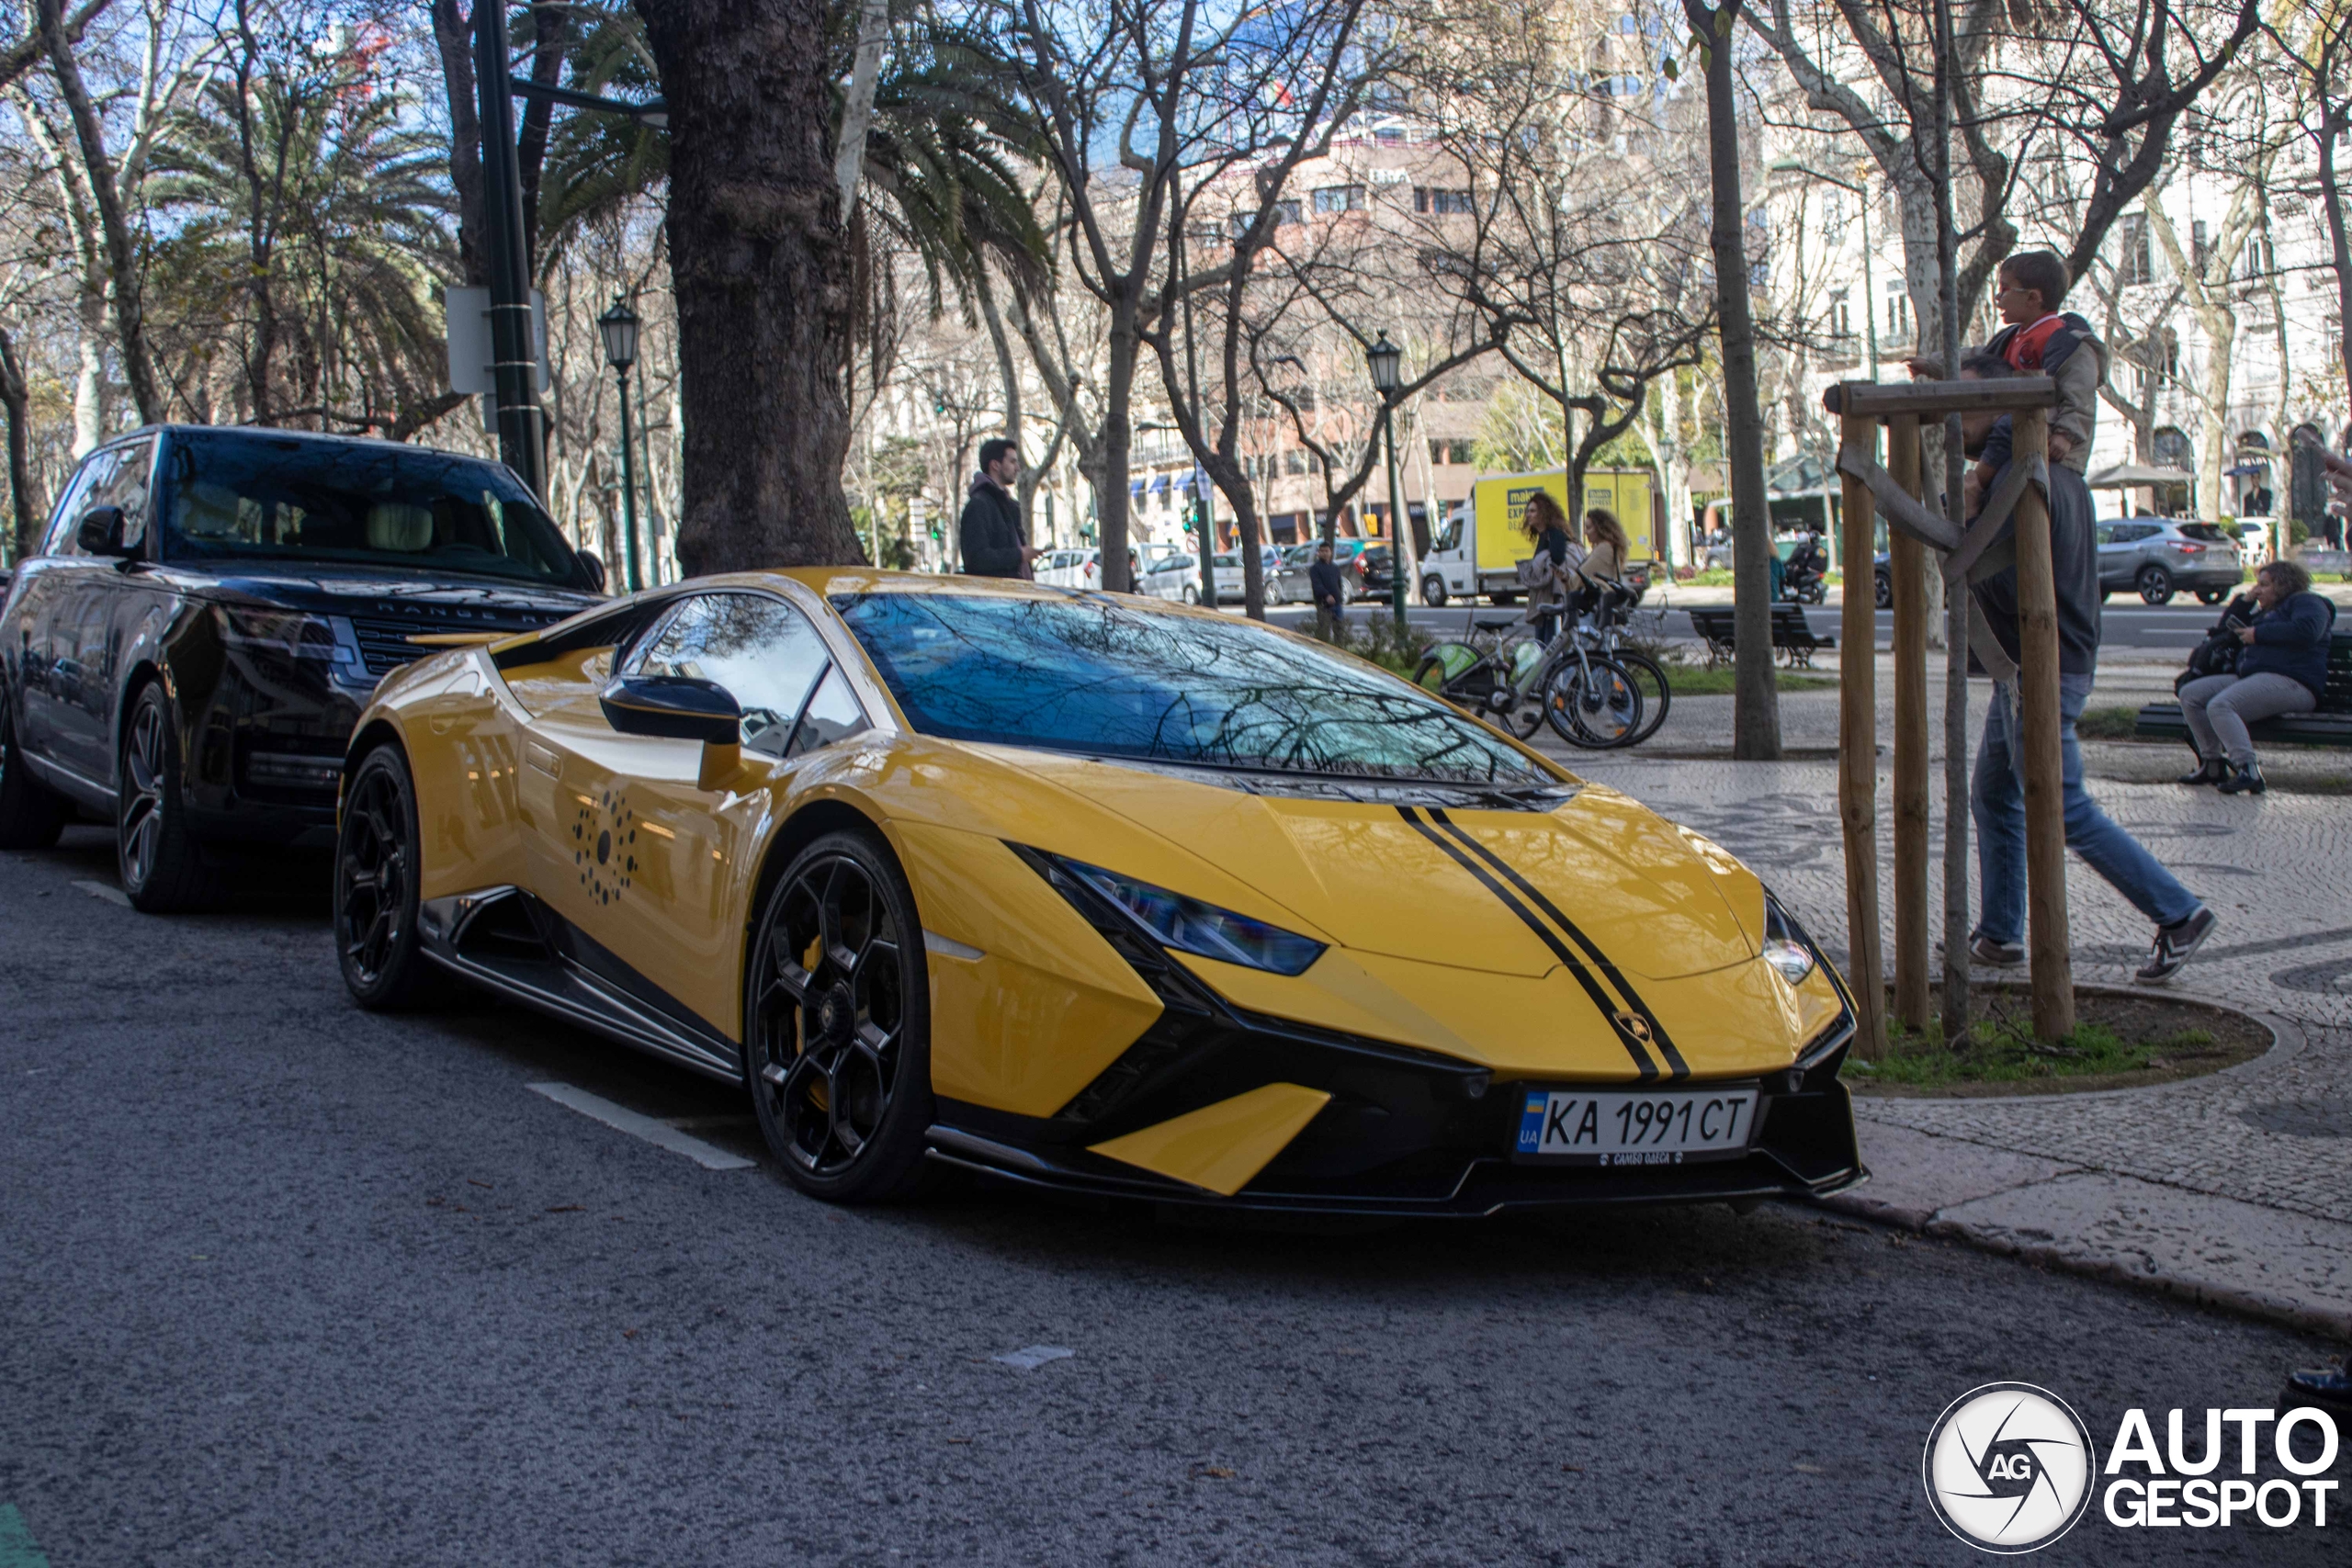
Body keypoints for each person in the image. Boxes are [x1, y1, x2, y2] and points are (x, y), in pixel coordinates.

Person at [1953, 354, 2214, 985]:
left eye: (1962, 403)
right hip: (2032, 664)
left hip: (2045, 665)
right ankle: (1999, 933)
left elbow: (2009, 576)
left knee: (2060, 802)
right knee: (1994, 791)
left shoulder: (2026, 477)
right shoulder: (2045, 470)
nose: (1951, 418)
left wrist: (1956, 525)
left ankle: (2178, 911)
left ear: (1999, 409)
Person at [1909, 249, 2108, 513]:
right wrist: (1934, 364)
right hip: (2019, 425)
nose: (1998, 298)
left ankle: (1976, 482)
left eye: (2004, 290)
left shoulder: (2069, 343)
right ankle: (1965, 491)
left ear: (2032, 298)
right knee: (1975, 425)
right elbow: (1977, 359)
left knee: (2006, 426)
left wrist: (2066, 433)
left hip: (2047, 430)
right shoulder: (2013, 337)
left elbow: (2080, 394)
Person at [2175, 558, 2337, 795]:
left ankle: (2248, 770)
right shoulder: (2266, 612)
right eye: (2257, 585)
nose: (2257, 589)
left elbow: (2308, 630)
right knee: (2191, 695)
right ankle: (2212, 764)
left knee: (2221, 705)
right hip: (2256, 677)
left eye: (2264, 584)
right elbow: (2225, 628)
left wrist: (2259, 634)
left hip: (2294, 682)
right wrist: (2245, 601)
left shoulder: (2307, 602)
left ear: (2283, 585)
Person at [957, 437, 1040, 579]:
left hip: (1019, 597)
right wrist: (1020, 554)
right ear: (995, 465)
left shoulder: (1009, 505)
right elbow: (976, 559)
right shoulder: (978, 505)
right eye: (1012, 461)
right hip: (998, 598)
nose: (1018, 468)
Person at [1520, 491, 1578, 642]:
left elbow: (1557, 559)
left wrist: (1542, 561)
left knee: (1549, 640)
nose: (1528, 515)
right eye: (1528, 511)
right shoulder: (1543, 535)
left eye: (1533, 511)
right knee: (1542, 640)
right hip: (1545, 595)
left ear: (1543, 513)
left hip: (1552, 596)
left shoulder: (1554, 533)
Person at [1308, 538, 1347, 638]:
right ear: (1318, 553)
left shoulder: (1335, 568)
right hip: (1324, 604)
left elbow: (1339, 584)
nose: (1324, 553)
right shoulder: (1315, 568)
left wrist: (1339, 597)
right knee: (1324, 631)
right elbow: (1317, 585)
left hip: (1337, 603)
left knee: (1339, 631)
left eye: (1326, 551)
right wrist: (1327, 595)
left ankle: (1339, 649)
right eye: (1322, 551)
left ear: (1331, 552)